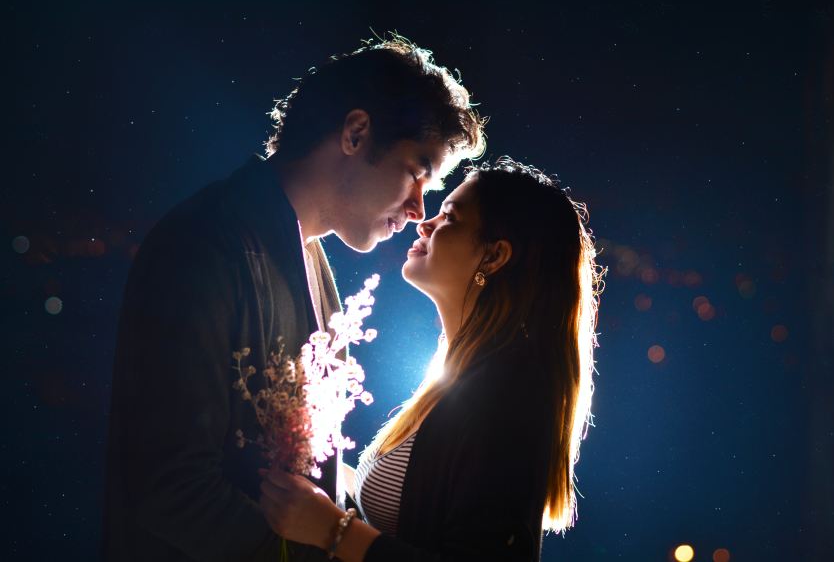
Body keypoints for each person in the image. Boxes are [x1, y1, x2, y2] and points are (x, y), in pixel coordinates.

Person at [102, 36, 485, 561]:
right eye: (417, 172)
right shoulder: (205, 244)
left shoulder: (309, 259)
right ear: (355, 133)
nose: (419, 208)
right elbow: (168, 485)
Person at [258, 157, 603, 561]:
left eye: (450, 217)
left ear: (494, 257)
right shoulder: (458, 376)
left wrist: (333, 530)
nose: (424, 222)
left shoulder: (507, 400)